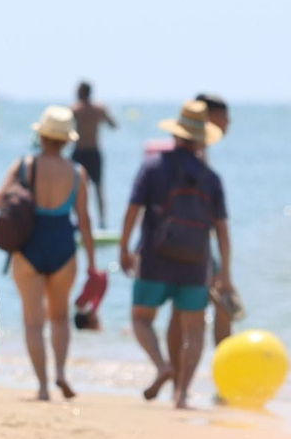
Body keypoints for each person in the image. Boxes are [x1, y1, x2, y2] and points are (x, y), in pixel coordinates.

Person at [119, 99, 230, 409]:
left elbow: (132, 211)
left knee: (141, 318)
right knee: (194, 329)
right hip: (196, 262)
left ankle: (162, 365)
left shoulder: (153, 166)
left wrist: (124, 248)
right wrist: (225, 273)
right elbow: (221, 230)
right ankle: (182, 395)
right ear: (202, 138)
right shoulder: (211, 177)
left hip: (156, 257)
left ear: (176, 133)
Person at [0, 107, 97, 400]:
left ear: (40, 135)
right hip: (63, 244)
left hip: (30, 244)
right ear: (67, 140)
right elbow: (85, 220)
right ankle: (62, 373)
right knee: (61, 317)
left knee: (33, 321)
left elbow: (1, 198)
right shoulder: (77, 172)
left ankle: (41, 387)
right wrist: (91, 263)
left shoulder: (24, 165)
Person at [162, 94, 236, 378]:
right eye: (224, 117)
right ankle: (219, 377)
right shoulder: (196, 153)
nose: (228, 123)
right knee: (217, 306)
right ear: (210, 118)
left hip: (189, 243)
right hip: (194, 245)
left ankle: (181, 378)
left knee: (188, 312)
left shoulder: (191, 150)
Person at [69, 81, 118, 227]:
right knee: (98, 188)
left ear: (80, 92)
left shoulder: (74, 109)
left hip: (79, 152)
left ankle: (78, 221)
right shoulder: (98, 109)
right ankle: (102, 222)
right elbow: (113, 125)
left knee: (77, 188)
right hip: (93, 152)